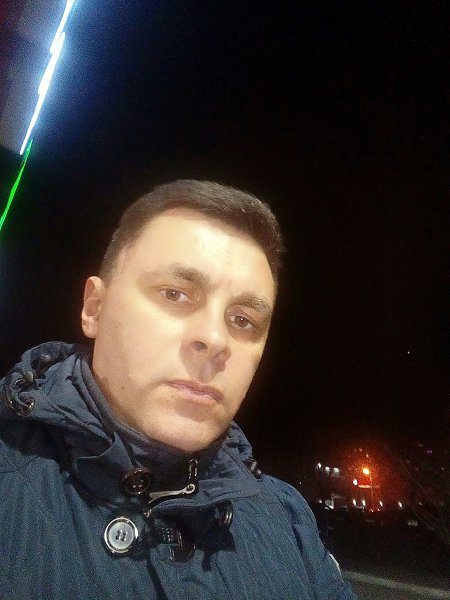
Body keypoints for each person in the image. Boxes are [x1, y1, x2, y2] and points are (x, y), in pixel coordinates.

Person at [0, 180, 357, 599]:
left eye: (243, 320)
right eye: (175, 294)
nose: (216, 338)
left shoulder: (288, 522)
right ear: (94, 308)